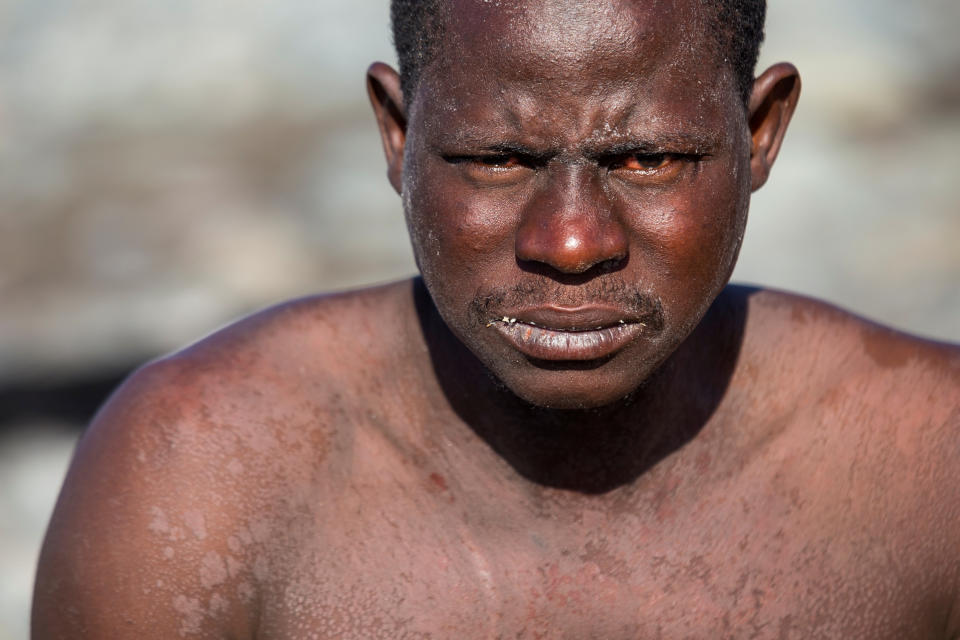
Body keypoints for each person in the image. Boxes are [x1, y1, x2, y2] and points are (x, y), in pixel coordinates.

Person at [32, 0, 960, 637]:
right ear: (398, 133)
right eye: (495, 159)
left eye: (646, 160)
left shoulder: (926, 468)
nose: (567, 243)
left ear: (759, 133)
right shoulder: (200, 472)